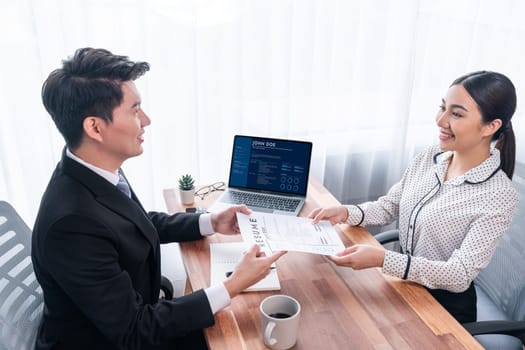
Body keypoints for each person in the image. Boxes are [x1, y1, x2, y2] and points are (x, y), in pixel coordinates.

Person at [31, 47, 286, 350]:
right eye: (135, 110)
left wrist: (210, 222)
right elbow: (136, 332)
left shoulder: (92, 170)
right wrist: (233, 285)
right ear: (95, 127)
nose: (147, 120)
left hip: (135, 320)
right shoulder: (71, 224)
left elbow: (134, 222)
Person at [309, 71, 518, 323]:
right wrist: (346, 212)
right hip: (405, 286)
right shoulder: (431, 158)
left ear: (491, 126)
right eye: (443, 107)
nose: (440, 120)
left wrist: (384, 259)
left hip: (444, 308)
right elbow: (390, 206)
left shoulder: (498, 196)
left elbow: (459, 275)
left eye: (456, 113)